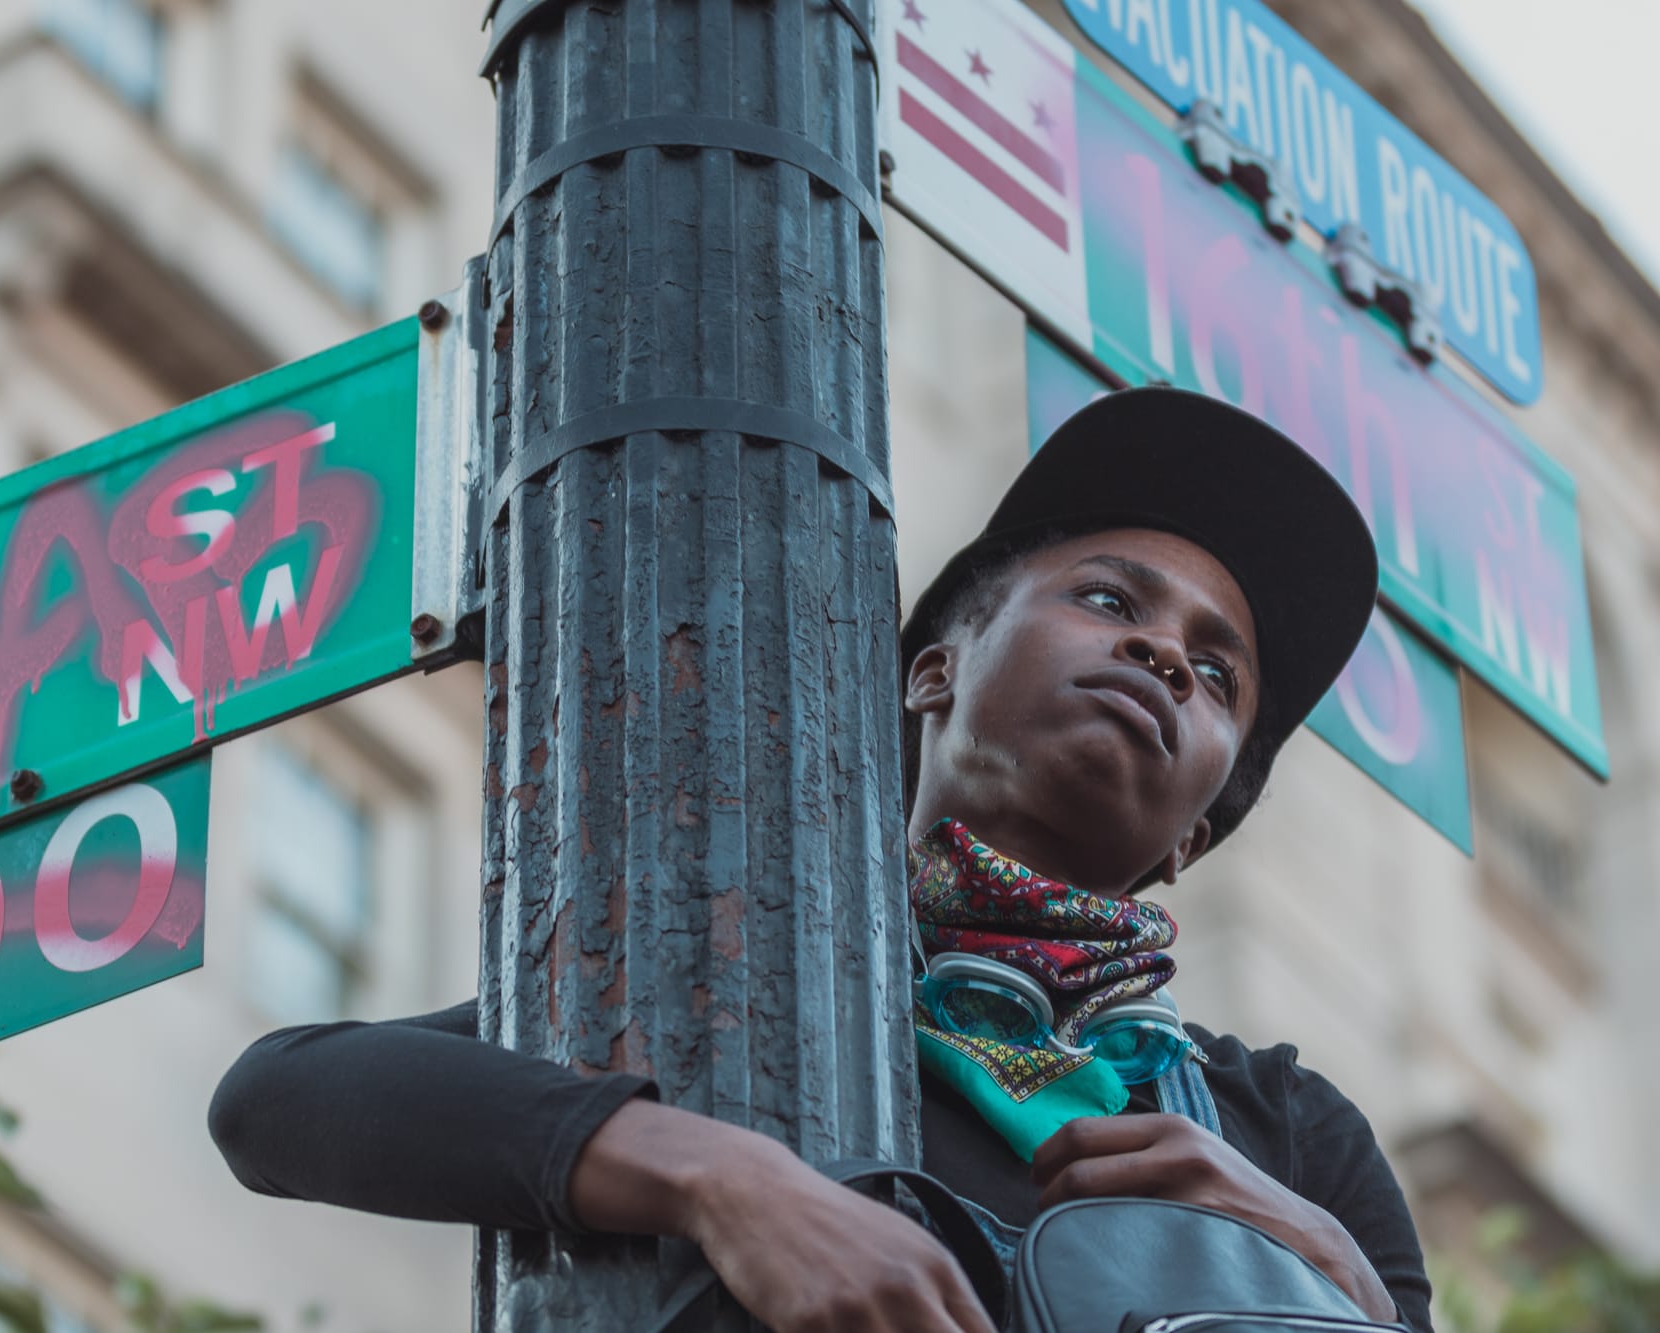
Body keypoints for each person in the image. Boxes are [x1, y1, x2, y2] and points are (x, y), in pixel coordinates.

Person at [206, 387, 1434, 1332]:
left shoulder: (1284, 1127)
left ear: (1190, 837)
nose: (1165, 654)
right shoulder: (737, 960)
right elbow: (279, 1099)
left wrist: (1326, 1272)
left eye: (1214, 672)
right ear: (931, 671)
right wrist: (719, 1179)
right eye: (1110, 601)